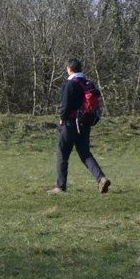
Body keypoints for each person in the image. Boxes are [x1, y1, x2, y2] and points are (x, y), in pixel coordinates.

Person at [50, 58, 109, 194]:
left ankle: (60, 186)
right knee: (85, 154)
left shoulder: (71, 83)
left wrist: (62, 119)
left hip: (71, 123)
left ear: (70, 69)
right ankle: (101, 178)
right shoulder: (88, 83)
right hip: (85, 122)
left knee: (63, 154)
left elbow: (65, 105)